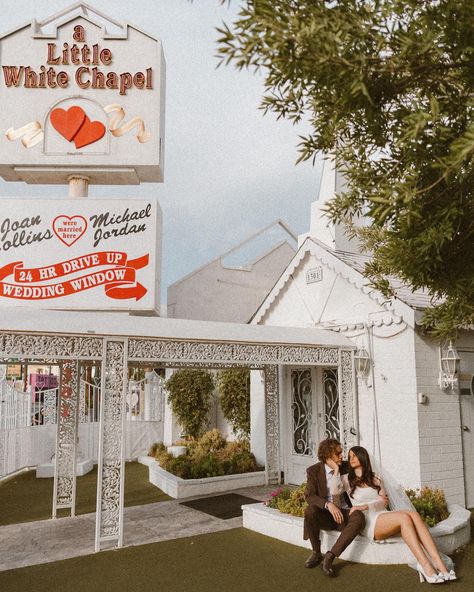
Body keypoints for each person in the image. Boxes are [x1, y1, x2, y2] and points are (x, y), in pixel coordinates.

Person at [330, 446, 456, 584]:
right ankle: (425, 565)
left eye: (354, 455)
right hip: (368, 521)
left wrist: (365, 505)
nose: (351, 458)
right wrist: (336, 470)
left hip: (382, 515)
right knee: (403, 517)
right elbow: (335, 493)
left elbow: (383, 502)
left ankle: (439, 564)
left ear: (362, 456)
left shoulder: (376, 477)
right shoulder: (346, 479)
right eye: (349, 456)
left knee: (413, 514)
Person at [303, 438, 366, 577]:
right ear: (327, 456)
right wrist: (329, 505)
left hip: (345, 513)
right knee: (310, 511)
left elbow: (365, 469)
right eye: (338, 453)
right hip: (326, 514)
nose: (341, 456)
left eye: (341, 453)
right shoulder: (313, 471)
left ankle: (330, 557)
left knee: (359, 517)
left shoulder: (346, 467)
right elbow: (310, 496)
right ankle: (316, 553)